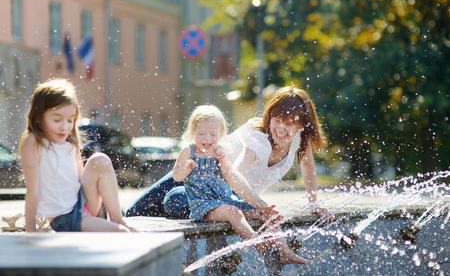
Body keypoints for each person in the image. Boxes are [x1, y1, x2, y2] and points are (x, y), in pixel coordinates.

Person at [126, 85, 332, 224]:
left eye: (289, 124)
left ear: (301, 126)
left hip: (215, 197)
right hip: (194, 170)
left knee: (176, 202)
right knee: (135, 214)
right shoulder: (257, 138)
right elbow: (233, 177)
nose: (280, 128)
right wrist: (257, 206)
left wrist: (314, 203)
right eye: (277, 120)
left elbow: (308, 166)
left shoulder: (298, 139)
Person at [173, 105, 308, 264]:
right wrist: (186, 167)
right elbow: (176, 176)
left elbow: (230, 175)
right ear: (192, 133)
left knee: (265, 212)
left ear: (221, 134)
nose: (207, 139)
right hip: (203, 205)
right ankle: (255, 242)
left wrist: (223, 161)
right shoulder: (189, 152)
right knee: (233, 213)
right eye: (201, 134)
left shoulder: (220, 151)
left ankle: (285, 251)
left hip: (225, 199)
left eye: (212, 135)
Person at [19, 79, 135, 232]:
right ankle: (115, 226)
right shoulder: (34, 141)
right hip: (64, 218)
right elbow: (32, 191)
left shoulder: (69, 144)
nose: (64, 126)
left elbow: (80, 179)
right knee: (120, 232)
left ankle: (118, 219)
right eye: (56, 119)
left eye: (70, 120)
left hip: (81, 204)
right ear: (39, 116)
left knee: (100, 160)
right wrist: (30, 232)